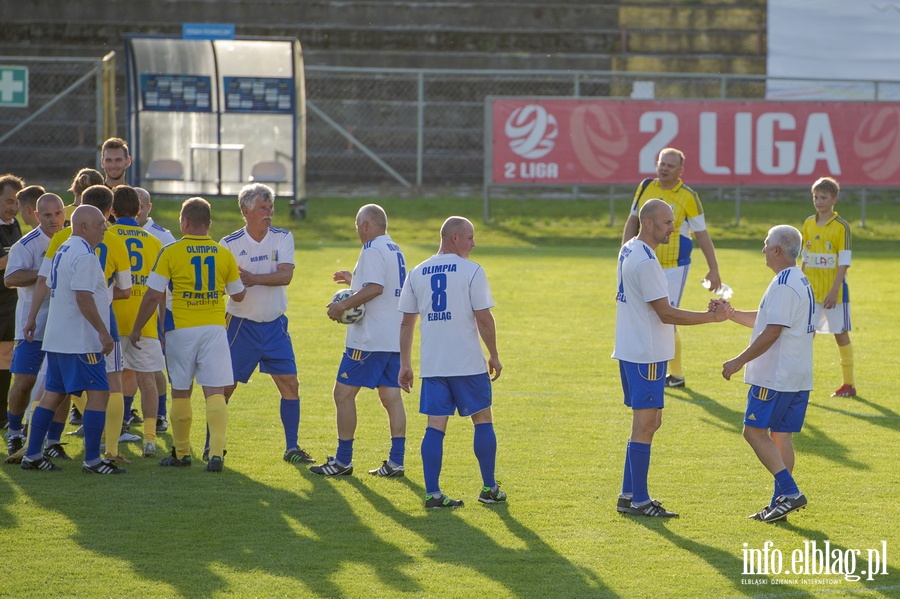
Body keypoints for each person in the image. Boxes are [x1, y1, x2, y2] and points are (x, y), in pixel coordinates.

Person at [614, 199, 731, 518]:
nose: (673, 227)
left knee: (648, 423)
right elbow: (665, 313)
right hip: (647, 353)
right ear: (648, 223)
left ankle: (629, 495)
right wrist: (712, 319)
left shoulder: (629, 249)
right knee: (646, 424)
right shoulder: (646, 261)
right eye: (667, 222)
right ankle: (639, 500)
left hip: (632, 348)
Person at [129, 197, 245, 473]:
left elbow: (153, 295)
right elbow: (238, 294)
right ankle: (216, 454)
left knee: (181, 391)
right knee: (215, 392)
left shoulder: (171, 252)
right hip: (215, 328)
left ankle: (182, 454)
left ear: (184, 222)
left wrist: (137, 327)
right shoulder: (223, 253)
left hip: (180, 328)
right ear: (208, 224)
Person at [398, 216, 505, 509]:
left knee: (435, 426)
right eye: (470, 238)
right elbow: (484, 317)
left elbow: (407, 323)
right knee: (482, 419)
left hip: (434, 364)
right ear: (455, 238)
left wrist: (404, 363)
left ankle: (432, 493)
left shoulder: (417, 272)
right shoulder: (472, 271)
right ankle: (489, 488)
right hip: (468, 363)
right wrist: (494, 354)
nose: (474, 243)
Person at [27, 185, 133, 462]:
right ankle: (93, 460)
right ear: (84, 226)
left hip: (58, 338)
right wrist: (103, 332)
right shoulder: (85, 255)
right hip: (80, 340)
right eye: (100, 226)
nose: (104, 230)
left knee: (53, 394)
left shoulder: (63, 248)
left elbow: (48, 283)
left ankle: (33, 454)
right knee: (100, 393)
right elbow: (83, 297)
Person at [722, 225, 814, 523]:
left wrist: (738, 360)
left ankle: (788, 491)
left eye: (765, 244)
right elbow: (767, 321)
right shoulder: (797, 279)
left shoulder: (785, 285)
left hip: (776, 376)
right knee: (781, 438)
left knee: (753, 431)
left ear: (776, 249)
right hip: (797, 376)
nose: (762, 249)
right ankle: (780, 503)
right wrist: (731, 314)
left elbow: (772, 331)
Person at [310, 204, 407, 478]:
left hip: (368, 340)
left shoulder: (372, 249)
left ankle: (342, 461)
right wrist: (355, 281)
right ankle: (396, 462)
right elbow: (382, 285)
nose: (356, 230)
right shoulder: (394, 249)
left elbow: (376, 288)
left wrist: (342, 306)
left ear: (365, 225)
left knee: (342, 394)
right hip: (392, 337)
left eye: (357, 225)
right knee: (391, 397)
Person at [220, 183, 314, 464]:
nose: (269, 213)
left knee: (290, 383)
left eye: (271, 207)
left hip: (274, 325)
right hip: (240, 325)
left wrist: (253, 278)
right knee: (225, 387)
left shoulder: (283, 238)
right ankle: (214, 446)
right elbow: (228, 283)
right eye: (263, 207)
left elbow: (285, 276)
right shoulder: (229, 244)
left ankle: (292, 448)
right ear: (246, 210)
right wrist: (246, 281)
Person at [621, 148, 722, 389]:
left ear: (680, 170)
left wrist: (713, 269)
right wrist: (623, 252)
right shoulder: (646, 186)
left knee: (666, 317)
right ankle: (657, 367)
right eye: (661, 163)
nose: (664, 168)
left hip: (674, 267)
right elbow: (633, 219)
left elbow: (702, 234)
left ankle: (675, 375)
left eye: (670, 165)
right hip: (641, 263)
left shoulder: (688, 196)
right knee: (644, 314)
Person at [4, 193, 65, 458]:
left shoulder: (73, 239)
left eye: (58, 213)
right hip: (34, 325)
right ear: (37, 216)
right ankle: (15, 433)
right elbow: (10, 277)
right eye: (48, 215)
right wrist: (44, 273)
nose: (54, 220)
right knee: (25, 381)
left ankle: (52, 442)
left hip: (65, 327)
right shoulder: (26, 244)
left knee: (63, 385)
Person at [109, 185, 163, 457]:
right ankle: (150, 438)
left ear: (112, 210)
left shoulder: (106, 237)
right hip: (146, 322)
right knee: (148, 381)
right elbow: (160, 288)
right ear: (139, 210)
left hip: (113, 320)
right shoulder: (154, 242)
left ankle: (113, 437)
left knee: (114, 380)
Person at [801, 177, 856, 398]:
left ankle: (849, 384)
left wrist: (834, 290)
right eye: (815, 197)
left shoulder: (841, 227)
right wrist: (801, 284)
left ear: (834, 199)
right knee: (805, 335)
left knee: (840, 335)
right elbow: (804, 257)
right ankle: (800, 381)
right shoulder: (808, 223)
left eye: (823, 197)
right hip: (811, 293)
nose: (818, 201)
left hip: (835, 294)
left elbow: (844, 262)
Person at [135, 186, 175, 432]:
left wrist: (162, 318)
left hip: (158, 310)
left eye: (141, 205)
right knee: (128, 367)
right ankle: (127, 415)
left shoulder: (163, 237)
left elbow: (171, 282)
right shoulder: (117, 232)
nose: (136, 209)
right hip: (128, 307)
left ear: (149, 208)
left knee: (152, 364)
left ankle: (160, 414)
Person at [0, 174, 24, 430]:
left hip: (9, 301)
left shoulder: (13, 224)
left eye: (16, 201)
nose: (13, 206)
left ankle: (3, 415)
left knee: (6, 357)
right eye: (9, 200)